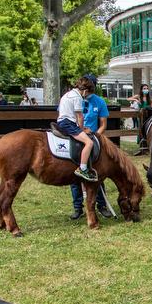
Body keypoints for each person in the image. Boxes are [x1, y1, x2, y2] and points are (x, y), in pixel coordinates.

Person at [68, 74, 112, 219]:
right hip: (76, 137)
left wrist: (95, 137)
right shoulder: (73, 98)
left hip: (92, 139)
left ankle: (102, 205)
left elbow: (103, 124)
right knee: (75, 174)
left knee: (96, 174)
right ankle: (77, 207)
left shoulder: (99, 102)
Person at [57, 77, 99, 182]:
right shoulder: (77, 97)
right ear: (85, 90)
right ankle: (83, 168)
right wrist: (82, 130)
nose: (86, 96)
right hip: (68, 123)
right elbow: (80, 116)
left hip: (62, 121)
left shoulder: (67, 94)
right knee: (89, 143)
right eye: (87, 94)